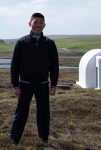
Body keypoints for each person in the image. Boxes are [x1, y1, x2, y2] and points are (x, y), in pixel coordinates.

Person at [10, 12, 59, 146]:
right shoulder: (21, 42)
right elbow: (14, 65)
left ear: (44, 25)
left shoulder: (49, 43)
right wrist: (15, 85)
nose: (38, 25)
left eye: (41, 23)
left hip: (43, 85)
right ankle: (14, 140)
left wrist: (53, 85)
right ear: (30, 23)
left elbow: (54, 66)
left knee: (44, 113)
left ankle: (44, 139)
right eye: (35, 22)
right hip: (24, 84)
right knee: (21, 113)